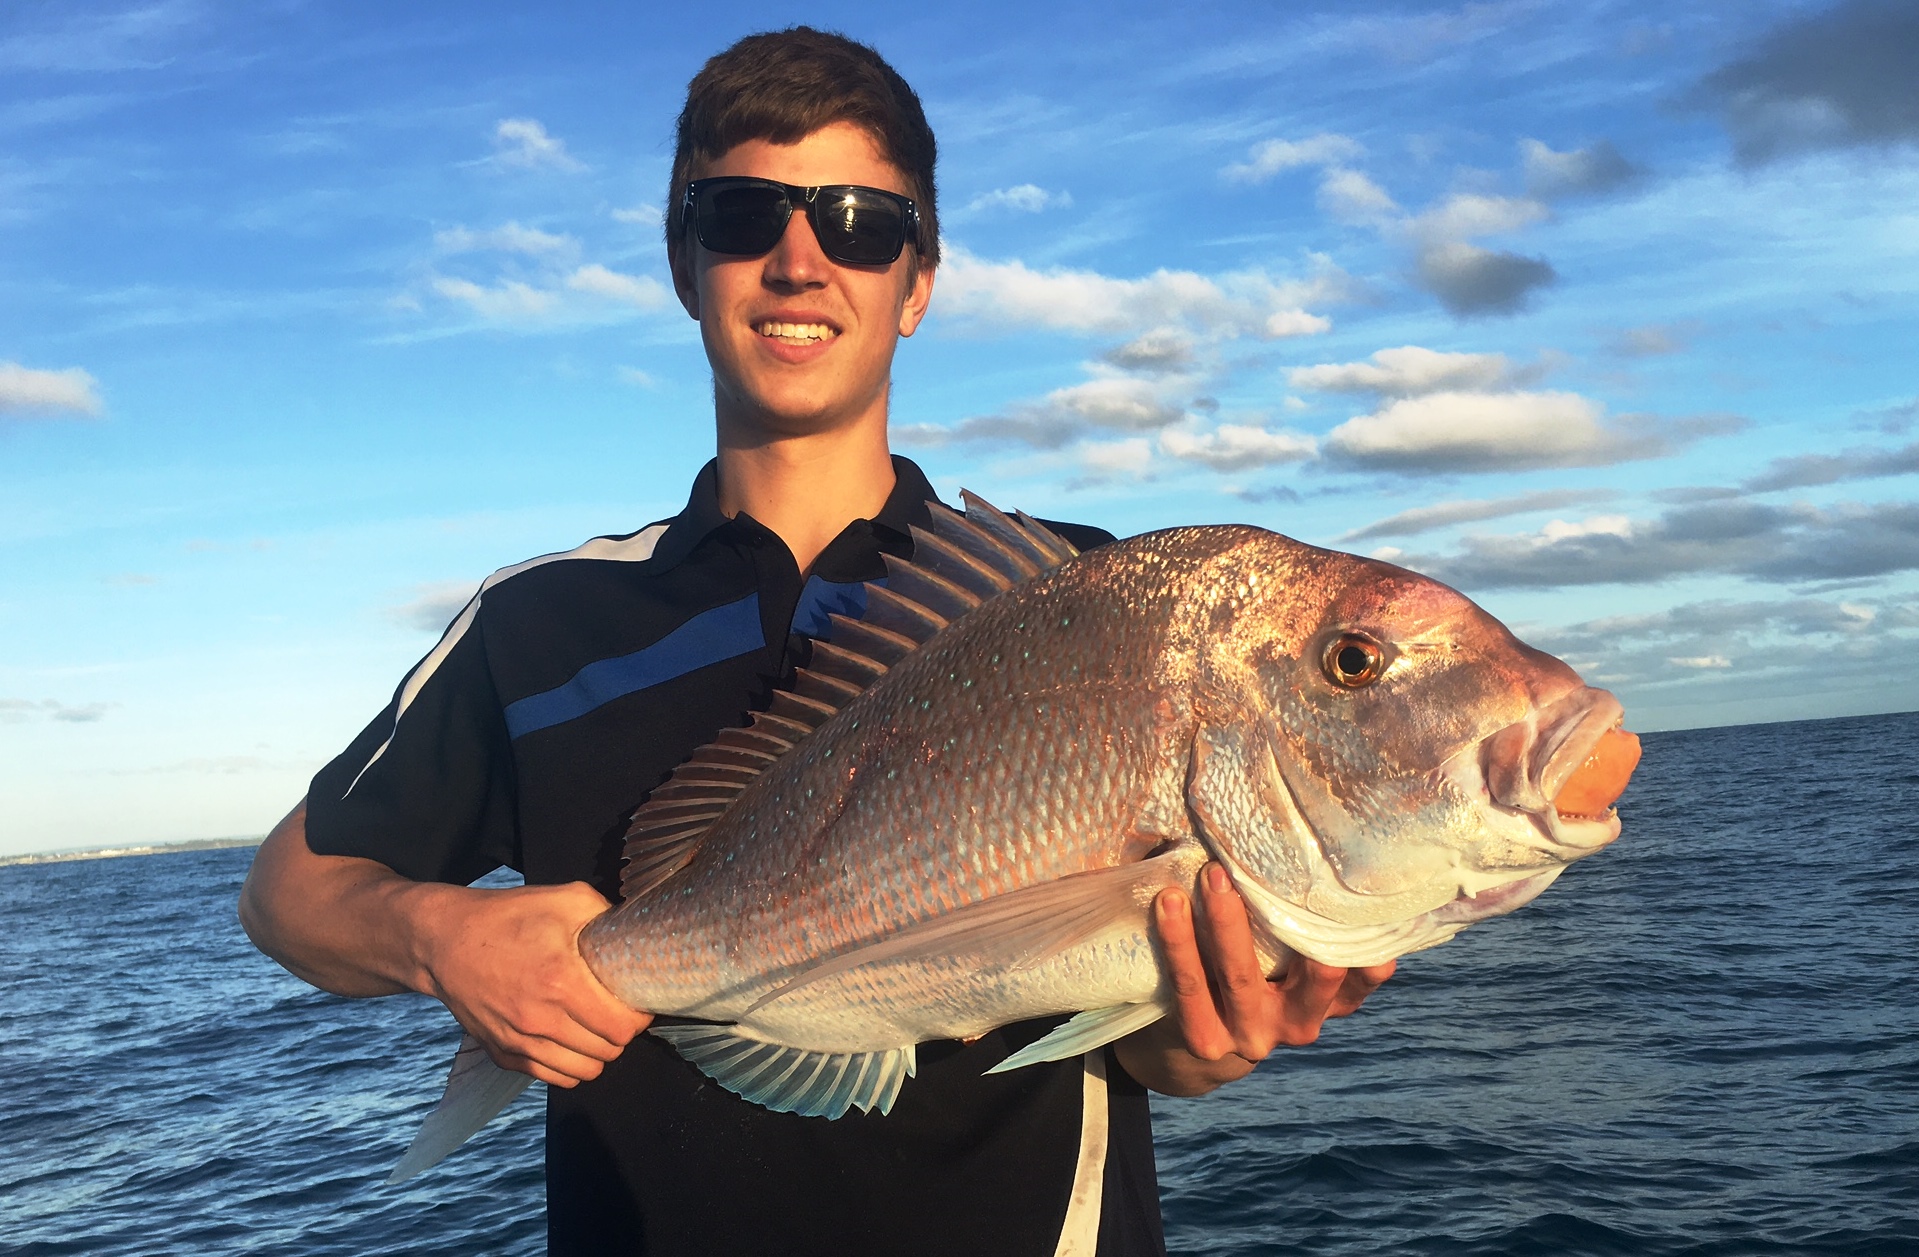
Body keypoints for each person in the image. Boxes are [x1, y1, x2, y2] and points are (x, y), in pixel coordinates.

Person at [238, 27, 1393, 1257]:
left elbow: (1135, 1034)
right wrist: (441, 937)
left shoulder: (1086, 595)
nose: (799, 260)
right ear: (685, 265)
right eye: (742, 214)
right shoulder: (538, 624)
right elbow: (286, 894)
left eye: (859, 222)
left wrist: (1202, 1037)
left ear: (919, 280)